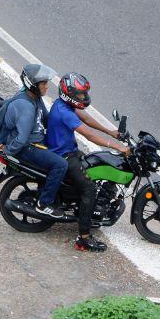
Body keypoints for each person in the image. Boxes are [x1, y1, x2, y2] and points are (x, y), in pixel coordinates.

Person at [46, 72, 131, 253]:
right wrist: (118, 146)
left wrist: (111, 131)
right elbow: (89, 135)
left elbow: (86, 118)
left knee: (95, 168)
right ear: (69, 93)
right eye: (80, 94)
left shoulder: (65, 105)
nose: (84, 97)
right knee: (89, 189)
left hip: (70, 151)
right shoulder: (64, 111)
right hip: (64, 156)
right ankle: (83, 238)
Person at [2, 63, 67, 216]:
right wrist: (9, 151)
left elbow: (46, 119)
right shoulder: (24, 105)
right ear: (33, 85)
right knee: (60, 165)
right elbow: (22, 138)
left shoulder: (35, 97)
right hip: (28, 147)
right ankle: (43, 204)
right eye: (43, 83)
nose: (47, 86)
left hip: (37, 142)